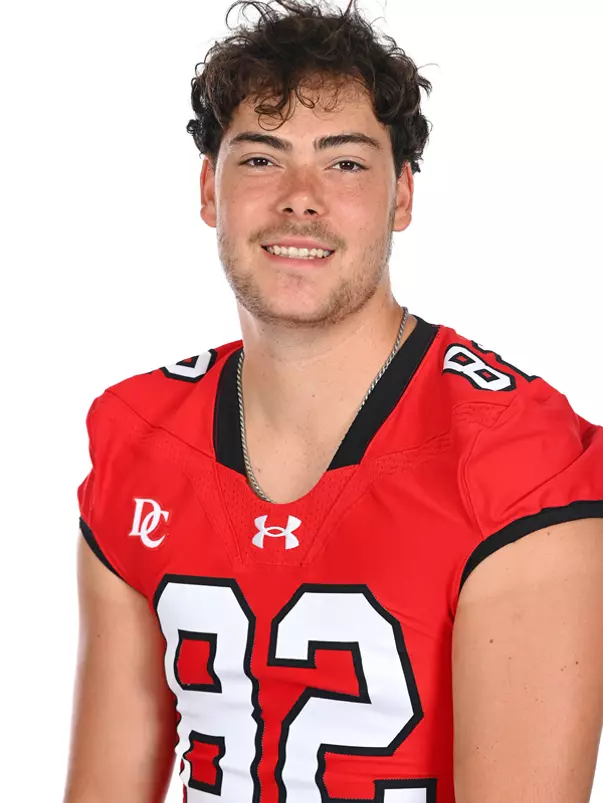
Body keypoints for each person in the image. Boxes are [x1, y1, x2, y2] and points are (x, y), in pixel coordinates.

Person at [63, 1, 603, 801]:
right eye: (260, 159)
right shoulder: (139, 434)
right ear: (210, 189)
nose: (300, 197)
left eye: (345, 163)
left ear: (402, 197)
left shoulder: (514, 457)